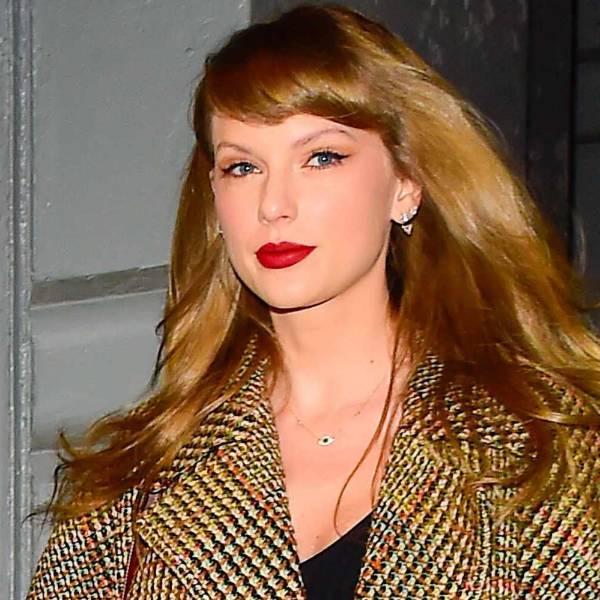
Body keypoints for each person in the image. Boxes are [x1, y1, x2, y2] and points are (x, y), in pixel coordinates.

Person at [28, 3, 600, 599]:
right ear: (215, 200)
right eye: (243, 167)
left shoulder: (546, 449)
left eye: (321, 157)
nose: (274, 204)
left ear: (406, 182)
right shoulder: (129, 491)